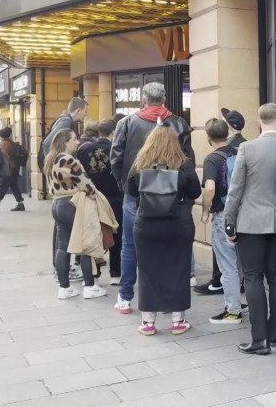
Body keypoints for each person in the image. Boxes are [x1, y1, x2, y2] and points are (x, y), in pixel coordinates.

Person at [110, 82, 195, 314]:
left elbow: (116, 157)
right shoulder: (178, 123)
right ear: (164, 99)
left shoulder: (127, 123)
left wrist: (125, 186)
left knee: (130, 245)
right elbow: (188, 160)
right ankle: (168, 300)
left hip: (135, 194)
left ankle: (125, 296)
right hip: (172, 195)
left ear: (144, 100)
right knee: (168, 248)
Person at [225, 103, 276, 355]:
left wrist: (229, 222)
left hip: (251, 223)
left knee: (253, 277)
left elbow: (235, 190)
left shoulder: (246, 148)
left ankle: (259, 339)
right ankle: (275, 333)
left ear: (258, 122)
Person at [126, 126, 202, 335]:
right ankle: (178, 320)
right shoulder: (183, 164)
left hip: (147, 225)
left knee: (148, 271)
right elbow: (196, 190)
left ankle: (148, 322)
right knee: (179, 269)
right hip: (178, 223)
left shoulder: (140, 164)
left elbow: (131, 190)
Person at [44, 128, 106, 300]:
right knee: (86, 244)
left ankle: (64, 288)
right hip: (74, 204)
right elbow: (85, 184)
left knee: (63, 246)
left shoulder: (51, 159)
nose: (77, 142)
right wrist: (95, 196)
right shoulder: (69, 160)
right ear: (65, 142)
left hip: (58, 204)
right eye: (74, 139)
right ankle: (90, 286)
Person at [199, 115, 246, 325]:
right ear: (228, 134)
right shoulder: (238, 152)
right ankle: (239, 301)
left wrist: (204, 210)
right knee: (240, 263)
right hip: (242, 213)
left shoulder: (212, 159)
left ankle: (232, 310)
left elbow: (210, 187)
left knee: (227, 264)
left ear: (209, 138)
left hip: (222, 215)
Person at [77, 119, 124, 284]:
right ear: (112, 133)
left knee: (93, 235)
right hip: (115, 198)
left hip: (92, 198)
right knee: (117, 235)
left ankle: (93, 275)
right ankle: (115, 273)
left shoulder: (84, 150)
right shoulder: (116, 150)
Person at [40, 97, 88, 170]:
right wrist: (52, 167)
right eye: (85, 111)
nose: (86, 114)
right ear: (78, 111)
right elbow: (47, 143)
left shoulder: (66, 120)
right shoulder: (66, 122)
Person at [0, 127, 25, 212]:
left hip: (8, 168)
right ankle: (20, 203)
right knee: (14, 185)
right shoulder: (13, 143)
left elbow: (4, 157)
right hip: (15, 167)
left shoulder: (4, 143)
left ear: (1, 135)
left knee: (2, 186)